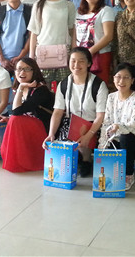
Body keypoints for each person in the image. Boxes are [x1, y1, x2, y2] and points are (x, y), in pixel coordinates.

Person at [43, 47, 108, 177]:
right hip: (71, 123)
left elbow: (101, 116)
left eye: (81, 61)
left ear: (89, 63)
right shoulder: (64, 84)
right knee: (61, 150)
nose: (76, 65)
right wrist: (51, 134)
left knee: (83, 136)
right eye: (73, 61)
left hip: (93, 124)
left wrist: (88, 136)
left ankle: (86, 160)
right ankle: (77, 156)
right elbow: (57, 112)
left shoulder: (98, 85)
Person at [99, 62, 135, 190]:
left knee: (125, 137)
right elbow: (106, 123)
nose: (121, 81)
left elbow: (133, 126)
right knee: (105, 138)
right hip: (116, 139)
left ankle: (128, 175)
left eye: (126, 77)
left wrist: (118, 127)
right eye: (118, 77)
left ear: (132, 80)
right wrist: (102, 146)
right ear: (113, 78)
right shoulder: (111, 97)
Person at [1, 58, 55, 172]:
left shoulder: (40, 90)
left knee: (15, 119)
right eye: (19, 69)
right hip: (33, 126)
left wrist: (21, 87)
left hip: (45, 131)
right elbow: (21, 112)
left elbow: (16, 112)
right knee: (13, 119)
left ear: (34, 71)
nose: (22, 72)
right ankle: (16, 159)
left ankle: (22, 161)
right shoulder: (24, 87)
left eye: (27, 69)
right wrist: (8, 118)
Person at [28, 0, 76, 89]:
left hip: (63, 52)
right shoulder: (39, 5)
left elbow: (72, 30)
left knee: (63, 88)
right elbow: (34, 32)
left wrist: (73, 51)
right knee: (44, 88)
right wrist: (32, 56)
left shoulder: (68, 5)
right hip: (44, 52)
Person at [75, 0, 115, 83]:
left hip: (100, 55)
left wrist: (90, 52)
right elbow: (74, 34)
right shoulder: (78, 12)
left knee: (99, 85)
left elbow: (108, 36)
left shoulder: (106, 11)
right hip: (80, 56)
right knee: (81, 85)